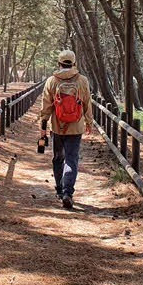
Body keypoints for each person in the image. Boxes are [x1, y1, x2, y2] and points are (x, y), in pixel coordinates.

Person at [38, 49, 93, 209]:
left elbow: (46, 106)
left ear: (59, 63)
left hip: (57, 126)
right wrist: (89, 122)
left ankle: (60, 190)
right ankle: (68, 192)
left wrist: (43, 126)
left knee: (57, 158)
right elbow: (87, 103)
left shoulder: (52, 81)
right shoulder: (82, 81)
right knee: (71, 159)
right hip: (76, 127)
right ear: (74, 63)